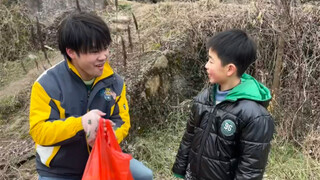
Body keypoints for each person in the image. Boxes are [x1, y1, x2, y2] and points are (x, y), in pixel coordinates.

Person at [29, 11, 153, 180]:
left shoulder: (114, 82)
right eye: (95, 51)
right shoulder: (47, 85)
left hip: (103, 159)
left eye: (105, 47)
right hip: (61, 170)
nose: (103, 56)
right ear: (71, 52)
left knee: (145, 176)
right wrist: (81, 124)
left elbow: (122, 121)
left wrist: (106, 137)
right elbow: (39, 131)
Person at [172, 29, 274, 180]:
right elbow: (189, 137)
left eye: (211, 61)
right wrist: (180, 171)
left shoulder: (255, 116)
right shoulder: (203, 98)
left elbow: (250, 170)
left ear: (230, 69)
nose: (206, 65)